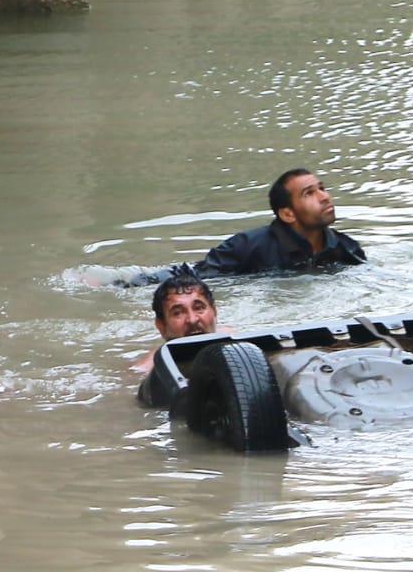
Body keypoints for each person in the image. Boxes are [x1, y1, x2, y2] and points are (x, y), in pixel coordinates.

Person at [117, 168, 366, 286]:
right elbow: (193, 275)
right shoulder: (247, 245)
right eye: (309, 193)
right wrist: (126, 285)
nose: (324, 197)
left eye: (322, 188)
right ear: (287, 213)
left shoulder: (347, 249)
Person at [134, 273, 221, 402]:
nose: (192, 320)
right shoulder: (148, 369)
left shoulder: (234, 340)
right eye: (178, 313)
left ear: (214, 312)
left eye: (199, 308)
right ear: (161, 326)